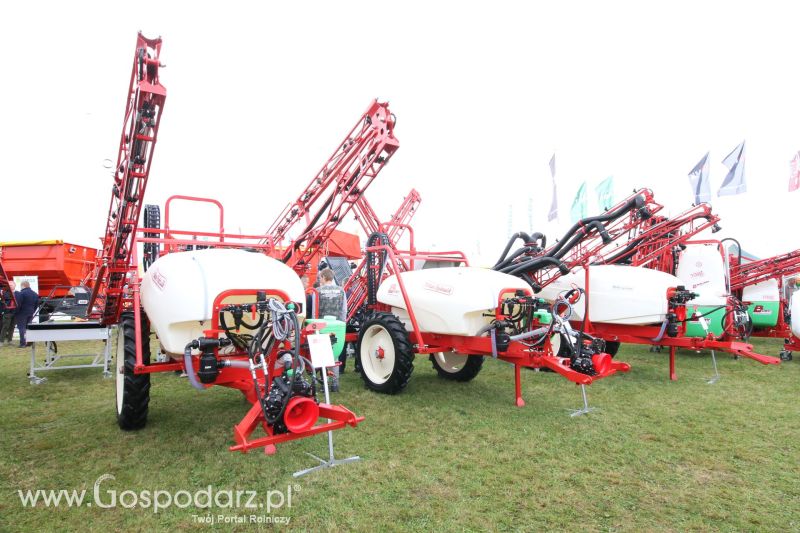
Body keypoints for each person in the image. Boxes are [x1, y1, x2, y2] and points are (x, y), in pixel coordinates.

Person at [317, 268, 349, 372]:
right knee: (334, 352)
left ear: (324, 277)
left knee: (321, 353)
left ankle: (324, 381)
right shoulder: (341, 290)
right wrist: (342, 324)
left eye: (320, 277)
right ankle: (335, 382)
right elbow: (344, 309)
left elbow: (314, 309)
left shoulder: (318, 291)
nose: (319, 279)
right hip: (336, 326)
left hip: (321, 326)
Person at [14, 281, 39, 348]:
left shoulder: (21, 293)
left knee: (21, 328)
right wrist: (33, 311)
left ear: (23, 286)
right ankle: (29, 342)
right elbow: (37, 304)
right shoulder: (35, 294)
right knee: (28, 328)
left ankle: (22, 343)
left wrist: (16, 312)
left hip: (21, 313)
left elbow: (18, 304)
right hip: (30, 312)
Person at [0, 281, 16, 346]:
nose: (11, 286)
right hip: (7, 312)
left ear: (15, 286)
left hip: (15, 312)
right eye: (9, 285)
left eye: (12, 285)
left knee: (12, 327)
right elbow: (7, 299)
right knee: (5, 327)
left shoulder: (17, 293)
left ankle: (10, 340)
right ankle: (1, 341)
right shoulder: (5, 293)